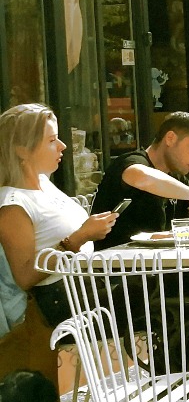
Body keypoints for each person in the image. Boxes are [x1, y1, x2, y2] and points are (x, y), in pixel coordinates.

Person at [0, 104, 117, 330]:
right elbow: (24, 276)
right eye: (52, 140)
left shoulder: (44, 183)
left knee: (160, 292)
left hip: (85, 288)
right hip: (60, 302)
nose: (62, 146)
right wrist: (77, 238)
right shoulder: (12, 203)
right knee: (153, 299)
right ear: (22, 150)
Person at [91, 112, 189, 249]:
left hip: (161, 269)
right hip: (120, 273)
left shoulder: (174, 175)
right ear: (170, 138)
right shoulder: (131, 163)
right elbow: (142, 178)